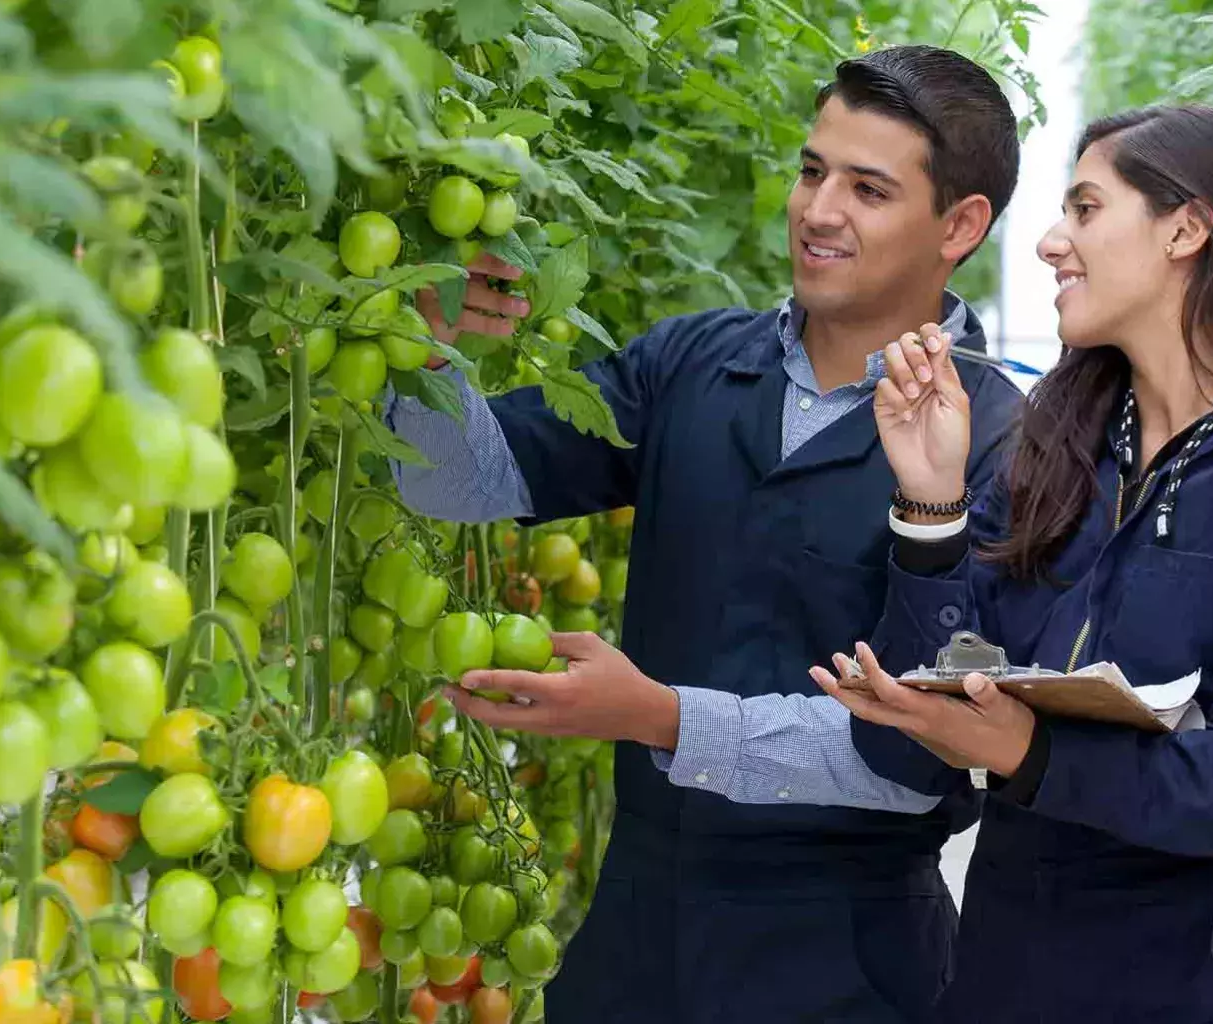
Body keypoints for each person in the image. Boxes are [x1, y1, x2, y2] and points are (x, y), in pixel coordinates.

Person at [456, 104, 1213, 1021]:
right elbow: (909, 722)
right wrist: (932, 505)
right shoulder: (1066, 445)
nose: (1048, 242)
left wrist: (1027, 748)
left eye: (1083, 210)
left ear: (1187, 227)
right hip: (1016, 962)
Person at [389, 46, 1023, 1023]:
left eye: (868, 188)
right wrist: (426, 348)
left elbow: (923, 750)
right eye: (813, 171)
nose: (818, 210)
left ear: (961, 224)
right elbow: (466, 481)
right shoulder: (689, 362)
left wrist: (661, 718)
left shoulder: (998, 441)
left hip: (846, 955)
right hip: (638, 932)